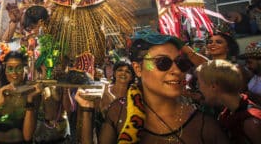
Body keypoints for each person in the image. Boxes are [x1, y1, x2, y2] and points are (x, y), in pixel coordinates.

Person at [75, 31, 228, 144]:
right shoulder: (119, 112)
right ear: (138, 69)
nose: (177, 71)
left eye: (182, 63)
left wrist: (189, 52)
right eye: (163, 62)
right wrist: (86, 109)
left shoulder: (203, 124)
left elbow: (218, 73)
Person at [0, 51, 42, 144]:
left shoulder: (32, 94)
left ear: (26, 69)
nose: (14, 73)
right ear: (5, 70)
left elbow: (28, 136)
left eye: (19, 68)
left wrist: (29, 100)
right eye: (10, 68)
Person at [196, 59, 261, 143]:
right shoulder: (228, 112)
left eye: (200, 84)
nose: (199, 88)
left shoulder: (251, 123)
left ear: (213, 86)